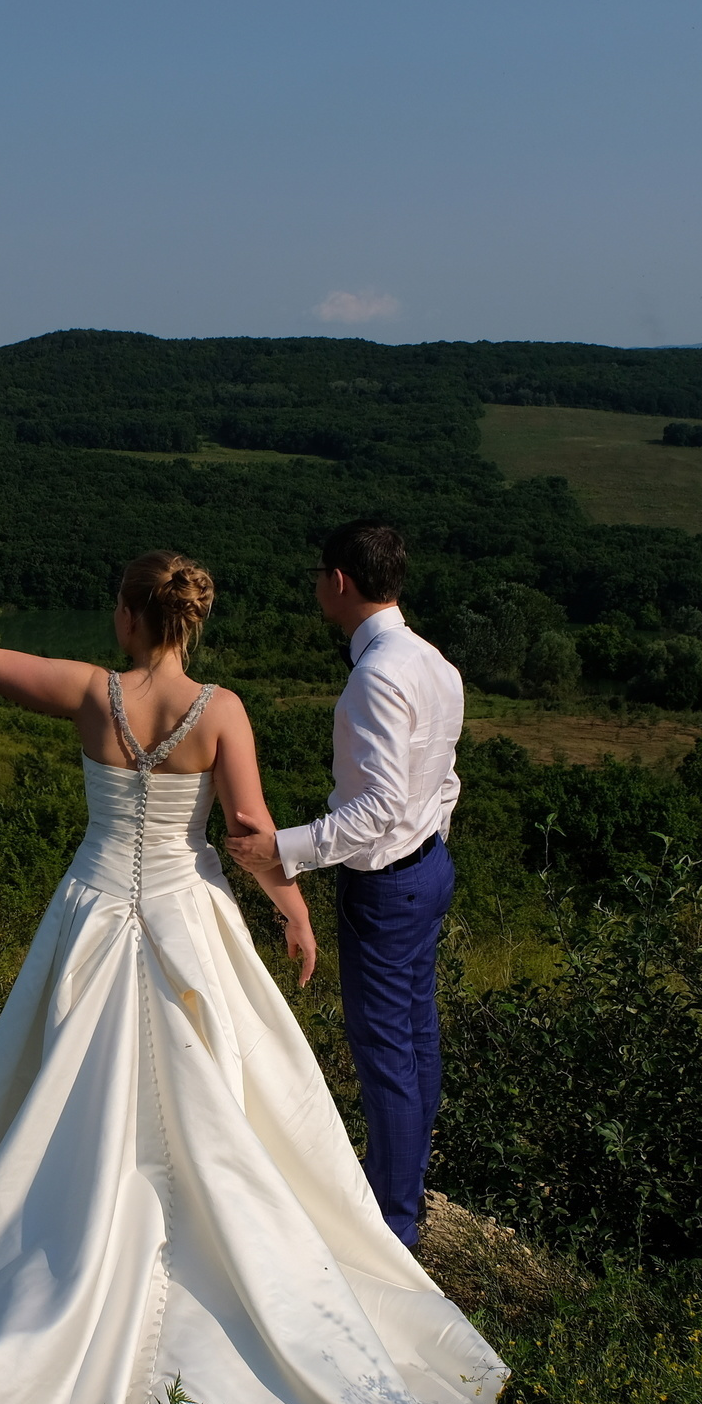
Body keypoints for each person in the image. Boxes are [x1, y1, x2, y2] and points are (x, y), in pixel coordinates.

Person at [0, 526, 506, 1404]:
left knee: (63, 1094)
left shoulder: (88, 692)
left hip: (92, 912)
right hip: (186, 915)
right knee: (229, 1104)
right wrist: (290, 907)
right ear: (189, 622)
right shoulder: (222, 710)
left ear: (128, 615)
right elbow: (245, 832)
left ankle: (52, 1248)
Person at [226, 521, 462, 1251]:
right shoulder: (435, 663)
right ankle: (405, 1177)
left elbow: (378, 807)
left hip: (389, 885)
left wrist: (282, 848)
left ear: (340, 582)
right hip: (427, 868)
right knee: (417, 1036)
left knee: (387, 1050)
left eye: (319, 574)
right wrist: (430, 842)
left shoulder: (377, 676)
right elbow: (444, 779)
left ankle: (395, 1220)